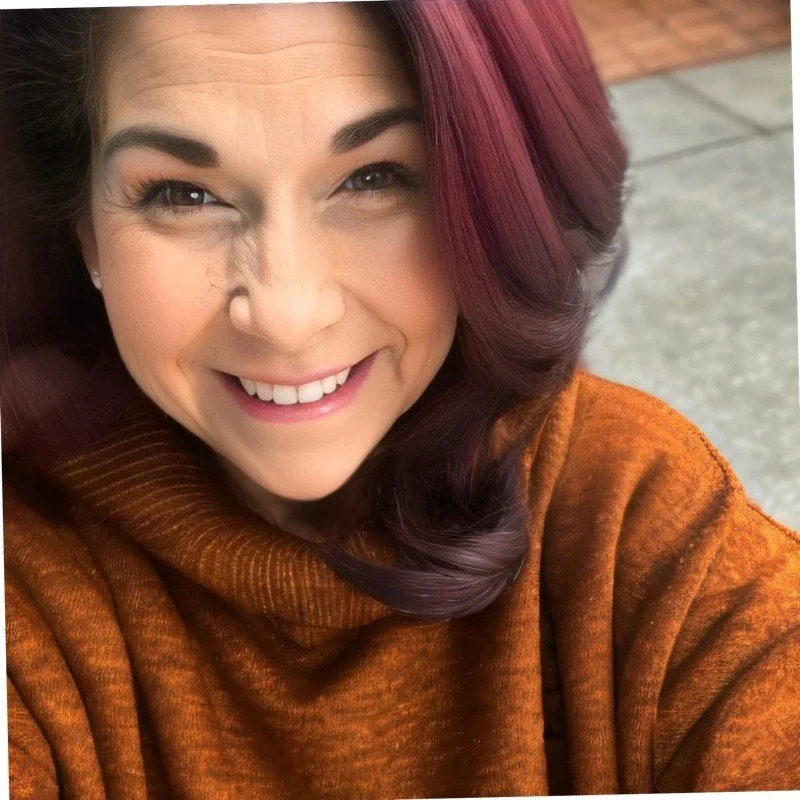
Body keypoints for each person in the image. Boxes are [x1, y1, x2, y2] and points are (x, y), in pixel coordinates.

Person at [0, 3, 797, 798]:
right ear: (81, 228)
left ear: (494, 202)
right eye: (182, 193)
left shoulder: (638, 515)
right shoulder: (25, 580)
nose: (285, 313)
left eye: (374, 177)